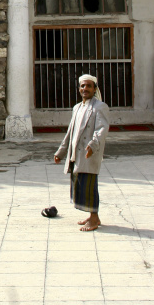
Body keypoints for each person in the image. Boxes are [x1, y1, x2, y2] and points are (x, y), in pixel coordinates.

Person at [54, 74, 109, 231]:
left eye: (88, 86)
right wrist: (61, 152)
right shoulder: (77, 108)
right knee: (81, 186)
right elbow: (70, 132)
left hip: (89, 153)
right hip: (76, 155)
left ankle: (94, 218)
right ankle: (92, 216)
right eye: (83, 86)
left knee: (89, 186)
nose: (85, 89)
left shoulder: (100, 107)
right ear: (79, 89)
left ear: (94, 89)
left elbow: (102, 129)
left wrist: (93, 145)